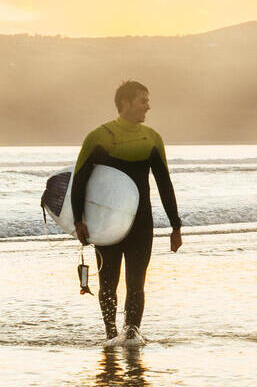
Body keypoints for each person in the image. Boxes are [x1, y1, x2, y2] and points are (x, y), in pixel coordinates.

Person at [72, 80, 183, 345]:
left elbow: (164, 183)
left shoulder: (152, 139)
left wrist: (175, 226)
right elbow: (79, 180)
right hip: (106, 225)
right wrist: (79, 221)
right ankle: (111, 334)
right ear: (126, 103)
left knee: (136, 284)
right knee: (108, 282)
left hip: (141, 225)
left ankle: (131, 335)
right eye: (143, 100)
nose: (148, 106)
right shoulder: (98, 137)